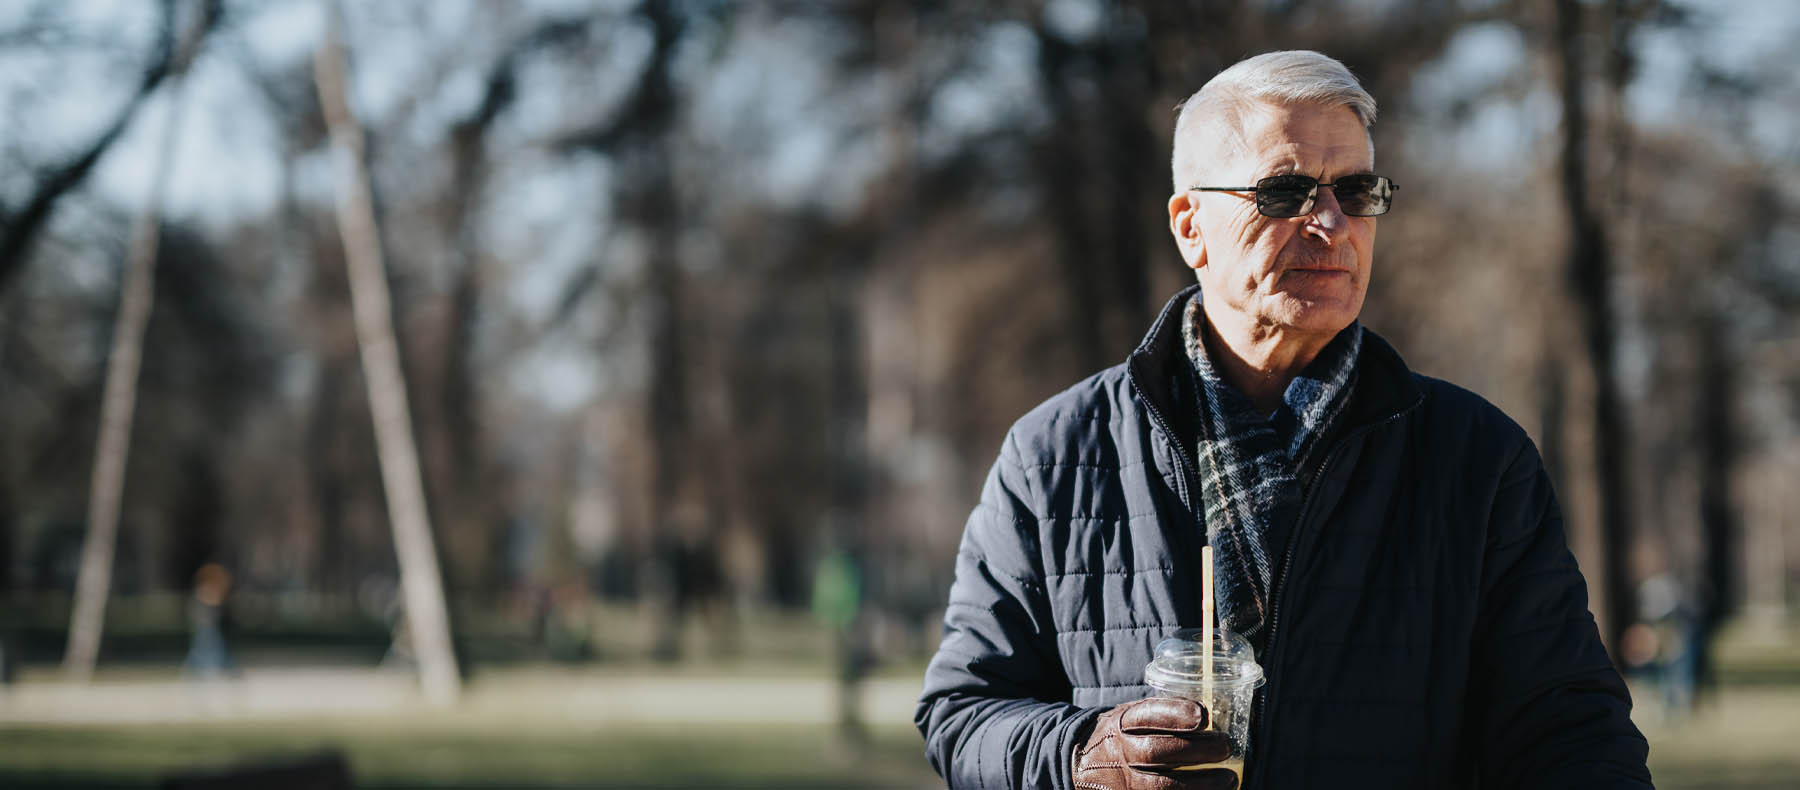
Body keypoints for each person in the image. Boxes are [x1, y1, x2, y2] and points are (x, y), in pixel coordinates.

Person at [915, 50, 1651, 790]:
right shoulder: (1053, 454)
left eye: (1357, 190)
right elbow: (961, 713)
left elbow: (1570, 730)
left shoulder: (1477, 457)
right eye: (1286, 190)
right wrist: (1081, 755)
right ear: (1190, 224)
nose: (1331, 222)